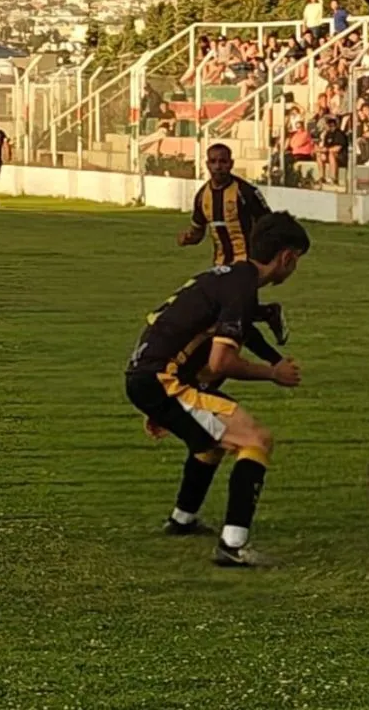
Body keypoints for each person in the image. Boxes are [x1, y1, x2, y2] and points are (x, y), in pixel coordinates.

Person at [125, 212, 310, 566]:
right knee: (255, 439)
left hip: (149, 376)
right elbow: (222, 361)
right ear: (287, 257)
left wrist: (274, 359)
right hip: (164, 380)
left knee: (210, 440)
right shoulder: (242, 289)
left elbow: (241, 330)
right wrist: (273, 373)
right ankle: (233, 545)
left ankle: (183, 518)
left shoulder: (230, 277)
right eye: (296, 260)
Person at [178, 144, 288, 345]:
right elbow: (198, 230)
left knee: (232, 315)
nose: (218, 166)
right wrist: (187, 238)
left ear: (231, 164)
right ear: (206, 164)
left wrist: (272, 258)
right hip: (221, 264)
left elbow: (269, 224)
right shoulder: (203, 196)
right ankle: (269, 315)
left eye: (223, 161)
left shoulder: (245, 192)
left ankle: (269, 360)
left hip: (246, 262)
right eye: (213, 161)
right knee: (232, 314)